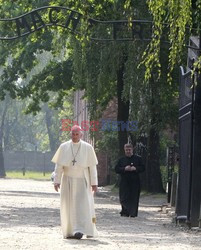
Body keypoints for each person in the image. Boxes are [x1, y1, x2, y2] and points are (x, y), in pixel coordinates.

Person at [51, 125, 98, 239]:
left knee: (82, 206)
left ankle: (80, 230)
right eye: (73, 134)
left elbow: (92, 167)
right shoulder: (64, 147)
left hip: (83, 180)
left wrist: (94, 183)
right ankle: (70, 230)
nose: (75, 136)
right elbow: (59, 166)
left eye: (77, 134)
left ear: (81, 135)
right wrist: (56, 181)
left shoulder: (88, 148)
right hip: (67, 180)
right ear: (70, 134)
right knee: (68, 205)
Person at [115, 143, 145, 217]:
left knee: (134, 197)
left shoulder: (138, 159)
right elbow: (116, 169)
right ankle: (125, 211)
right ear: (124, 150)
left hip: (135, 181)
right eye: (126, 150)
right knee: (124, 197)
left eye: (129, 150)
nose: (128, 151)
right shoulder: (121, 159)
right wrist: (124, 169)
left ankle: (133, 213)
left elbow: (143, 168)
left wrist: (135, 168)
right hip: (124, 181)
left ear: (132, 150)